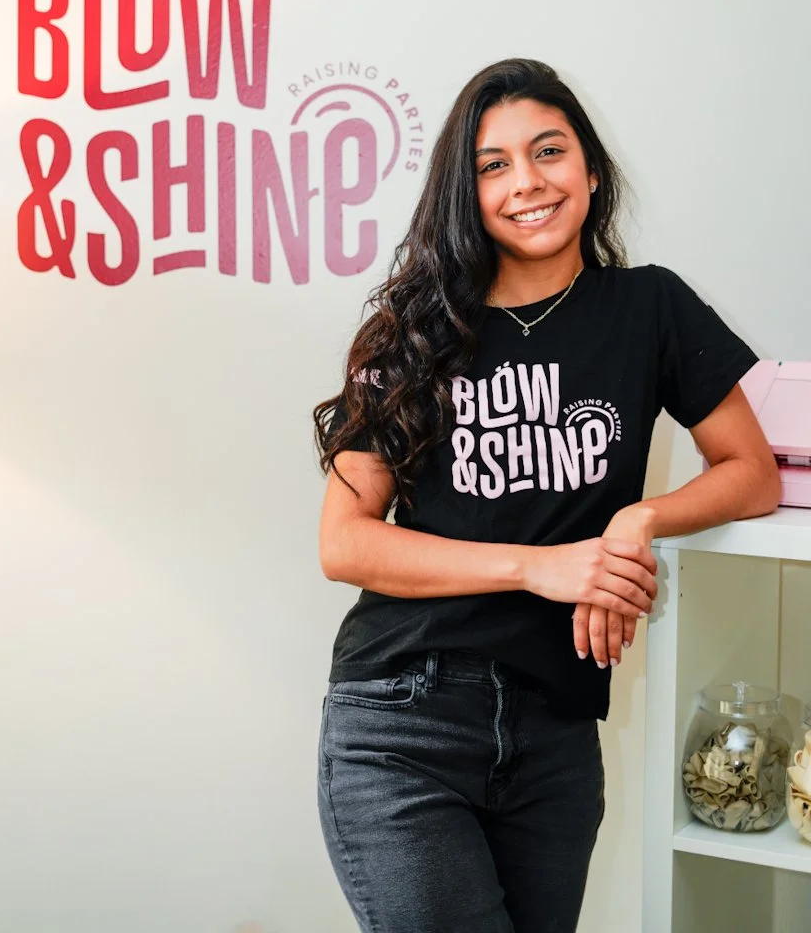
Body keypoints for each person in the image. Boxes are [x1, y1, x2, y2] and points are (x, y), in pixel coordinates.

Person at [311, 58, 780, 933]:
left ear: (591, 171)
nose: (526, 182)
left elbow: (752, 471)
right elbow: (345, 543)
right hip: (406, 720)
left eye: (549, 151)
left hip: (557, 737)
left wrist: (637, 519)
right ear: (468, 194)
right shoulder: (413, 333)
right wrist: (541, 567)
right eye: (493, 165)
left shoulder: (650, 307)